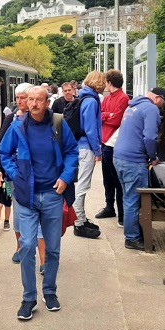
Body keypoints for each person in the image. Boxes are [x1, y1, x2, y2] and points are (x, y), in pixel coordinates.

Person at [0, 85, 79, 320]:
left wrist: (65, 178)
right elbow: (3, 153)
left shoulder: (58, 124)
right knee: (27, 246)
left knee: (52, 248)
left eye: (38, 100)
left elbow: (72, 152)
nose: (33, 103)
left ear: (46, 103)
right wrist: (15, 174)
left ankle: (50, 291)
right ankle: (28, 297)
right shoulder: (17, 126)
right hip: (27, 197)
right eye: (30, 99)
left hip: (53, 195)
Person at [0, 83, 45, 267]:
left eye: (24, 97)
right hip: (14, 175)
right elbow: (0, 147)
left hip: (39, 176)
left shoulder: (45, 118)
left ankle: (44, 258)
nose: (20, 101)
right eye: (19, 98)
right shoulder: (10, 119)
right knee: (18, 212)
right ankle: (20, 247)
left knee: (39, 218)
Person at [113, 87, 165, 251]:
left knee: (128, 197)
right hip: (134, 160)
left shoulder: (133, 105)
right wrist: (153, 157)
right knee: (133, 200)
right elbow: (150, 137)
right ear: (158, 98)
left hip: (120, 157)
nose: (161, 108)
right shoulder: (151, 108)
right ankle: (132, 238)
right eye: (163, 104)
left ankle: (133, 232)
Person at [69, 70, 105, 238]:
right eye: (103, 82)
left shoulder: (83, 97)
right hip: (86, 148)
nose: (105, 85)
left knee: (81, 185)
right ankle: (78, 223)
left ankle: (81, 218)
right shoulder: (91, 101)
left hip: (79, 146)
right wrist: (97, 150)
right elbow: (91, 128)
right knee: (83, 186)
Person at [95, 69, 130, 225]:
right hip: (106, 141)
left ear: (109, 82)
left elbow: (117, 120)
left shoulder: (123, 98)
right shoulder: (110, 98)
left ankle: (121, 213)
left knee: (116, 180)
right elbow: (100, 115)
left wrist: (106, 116)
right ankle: (110, 207)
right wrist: (108, 115)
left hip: (114, 143)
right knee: (107, 179)